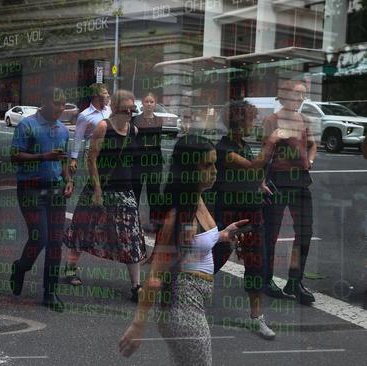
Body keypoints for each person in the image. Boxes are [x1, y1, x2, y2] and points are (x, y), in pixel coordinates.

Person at [119, 134, 248, 365]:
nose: (214, 170)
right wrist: (137, 325)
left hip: (191, 307)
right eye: (207, 165)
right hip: (183, 309)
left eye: (215, 164)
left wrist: (222, 235)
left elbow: (193, 244)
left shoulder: (196, 199)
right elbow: (156, 277)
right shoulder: (178, 215)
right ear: (189, 168)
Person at [64, 90, 146, 302]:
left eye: (133, 110)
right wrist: (98, 190)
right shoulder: (103, 127)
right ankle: (70, 268)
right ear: (116, 109)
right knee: (83, 229)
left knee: (131, 236)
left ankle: (136, 286)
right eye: (127, 109)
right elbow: (91, 160)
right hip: (100, 188)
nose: (130, 113)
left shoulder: (133, 131)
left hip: (124, 190)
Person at [213, 100, 280, 339]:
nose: (254, 123)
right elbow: (252, 167)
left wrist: (260, 185)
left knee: (256, 263)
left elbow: (252, 174)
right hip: (230, 212)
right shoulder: (224, 149)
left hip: (251, 212)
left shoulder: (242, 144)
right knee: (217, 255)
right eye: (251, 118)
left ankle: (256, 317)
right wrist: (271, 142)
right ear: (239, 122)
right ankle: (183, 291)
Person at [9, 87, 74, 312]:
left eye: (63, 105)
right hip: (30, 189)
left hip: (55, 190)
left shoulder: (64, 130)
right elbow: (14, 156)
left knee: (56, 242)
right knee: (40, 237)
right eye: (56, 104)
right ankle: (20, 268)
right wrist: (43, 157)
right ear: (44, 101)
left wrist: (68, 180)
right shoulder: (27, 125)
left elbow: (63, 161)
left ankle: (50, 293)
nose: (60, 109)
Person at [262, 80, 317, 305]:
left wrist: (310, 159)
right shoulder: (272, 120)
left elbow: (313, 144)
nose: (301, 98)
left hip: (301, 180)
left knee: (304, 231)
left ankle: (295, 281)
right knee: (271, 233)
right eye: (297, 94)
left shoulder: (304, 120)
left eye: (304, 95)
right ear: (285, 95)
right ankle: (266, 279)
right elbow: (265, 153)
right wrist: (260, 180)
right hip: (278, 179)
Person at [63, 83, 111, 286]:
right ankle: (72, 266)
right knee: (88, 211)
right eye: (105, 94)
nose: (108, 96)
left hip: (112, 163)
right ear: (96, 96)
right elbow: (78, 138)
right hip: (94, 160)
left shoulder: (110, 111)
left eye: (109, 93)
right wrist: (73, 159)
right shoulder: (85, 115)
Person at [131, 92, 166, 232]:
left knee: (154, 193)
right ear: (143, 104)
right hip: (138, 161)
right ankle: (132, 220)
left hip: (155, 162)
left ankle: (155, 222)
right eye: (147, 101)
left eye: (152, 102)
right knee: (136, 191)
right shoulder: (134, 120)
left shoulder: (160, 121)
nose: (149, 104)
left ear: (155, 104)